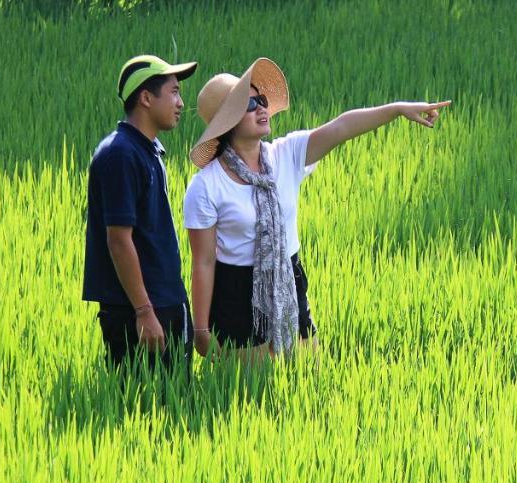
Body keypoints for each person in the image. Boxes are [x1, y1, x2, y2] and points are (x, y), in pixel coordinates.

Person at [183, 57, 450, 358]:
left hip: (288, 276)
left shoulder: (287, 155)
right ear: (227, 121)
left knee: (306, 375)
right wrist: (201, 329)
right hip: (238, 292)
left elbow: (342, 127)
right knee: (252, 393)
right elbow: (203, 262)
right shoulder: (206, 186)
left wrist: (397, 110)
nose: (261, 107)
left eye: (260, 99)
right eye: (248, 104)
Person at [83, 54, 198, 372]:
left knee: (176, 403)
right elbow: (118, 240)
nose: (180, 103)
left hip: (164, 299)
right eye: (174, 92)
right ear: (146, 98)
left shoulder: (147, 150)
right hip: (140, 310)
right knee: (142, 406)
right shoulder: (120, 154)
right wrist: (144, 311)